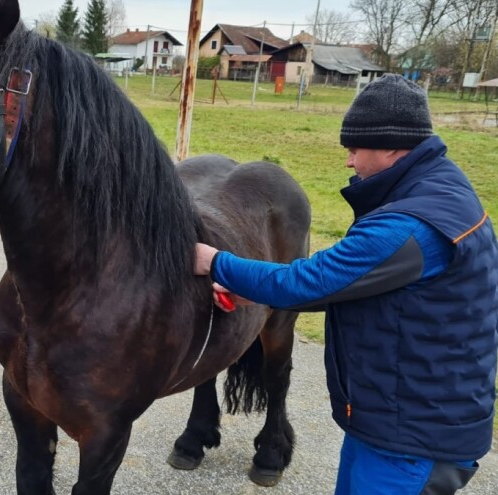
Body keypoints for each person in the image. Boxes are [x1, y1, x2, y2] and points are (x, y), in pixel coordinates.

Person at [194, 74, 498, 494]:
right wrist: (254, 290)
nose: (349, 162)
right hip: (397, 417)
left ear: (391, 145)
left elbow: (312, 280)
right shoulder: (441, 188)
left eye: (355, 149)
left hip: (411, 437)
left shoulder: (410, 225)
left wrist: (217, 263)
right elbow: (357, 285)